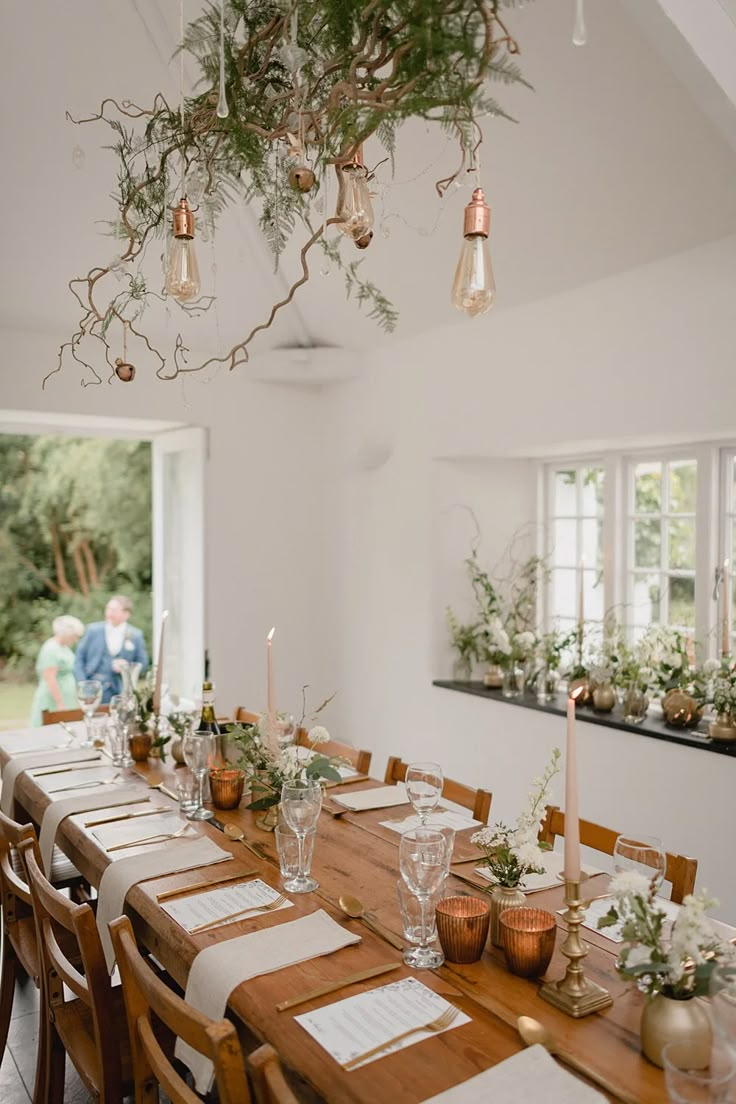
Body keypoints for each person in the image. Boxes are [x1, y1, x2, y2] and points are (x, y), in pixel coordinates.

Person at [74, 595, 149, 703]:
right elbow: (79, 659)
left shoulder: (136, 635)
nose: (109, 613)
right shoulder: (93, 630)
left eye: (113, 610)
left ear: (126, 614)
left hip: (122, 690)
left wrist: (127, 667)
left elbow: (143, 663)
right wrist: (83, 685)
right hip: (94, 689)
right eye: (108, 609)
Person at [30, 615, 85, 726]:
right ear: (67, 633)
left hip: (67, 697)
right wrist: (60, 703)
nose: (76, 640)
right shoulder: (51, 648)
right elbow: (50, 677)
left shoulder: (64, 647)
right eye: (75, 636)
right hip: (53, 699)